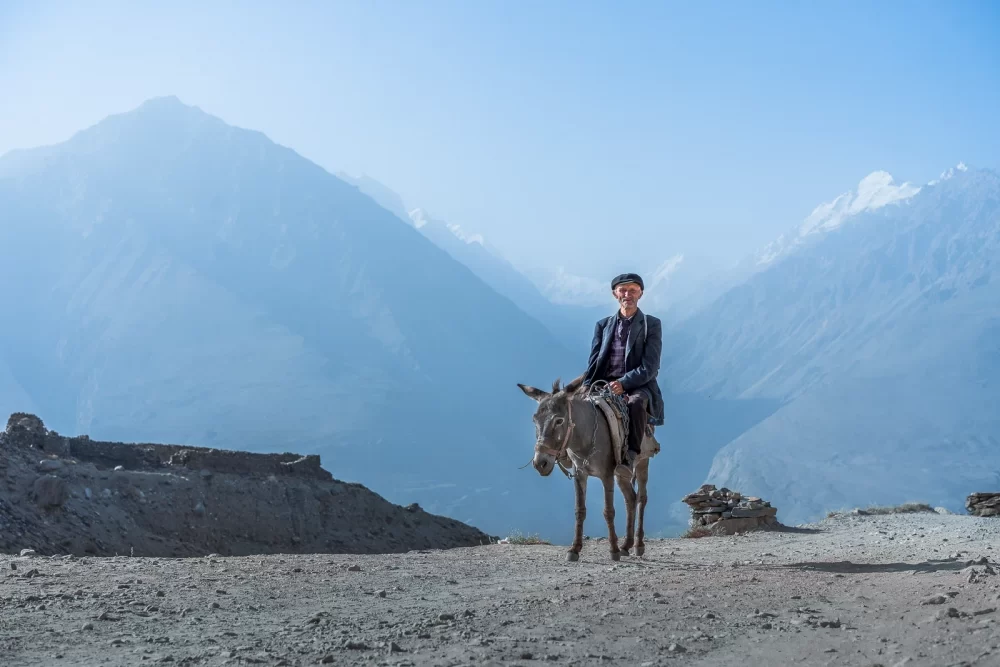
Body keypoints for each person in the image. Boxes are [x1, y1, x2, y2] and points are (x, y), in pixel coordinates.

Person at [582, 273, 664, 470]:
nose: (628, 294)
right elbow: (594, 362)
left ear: (641, 294)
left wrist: (624, 383)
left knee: (636, 403)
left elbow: (650, 367)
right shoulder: (602, 326)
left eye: (633, 290)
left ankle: (630, 456)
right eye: (623, 290)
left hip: (637, 385)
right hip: (604, 383)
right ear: (615, 294)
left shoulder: (651, 325)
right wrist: (586, 385)